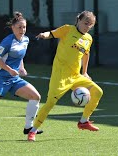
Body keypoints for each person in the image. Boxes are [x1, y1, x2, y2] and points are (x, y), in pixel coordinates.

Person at [27, 11, 104, 141]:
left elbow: (86, 54)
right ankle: (33, 131)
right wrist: (44, 35)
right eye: (86, 23)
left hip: (75, 75)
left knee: (97, 92)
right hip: (60, 75)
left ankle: (84, 121)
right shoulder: (68, 29)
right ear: (78, 20)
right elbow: (51, 33)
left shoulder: (88, 38)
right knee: (50, 103)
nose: (87, 27)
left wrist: (84, 72)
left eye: (90, 25)